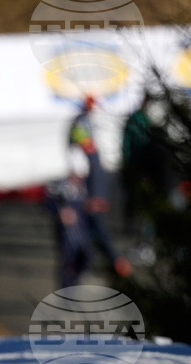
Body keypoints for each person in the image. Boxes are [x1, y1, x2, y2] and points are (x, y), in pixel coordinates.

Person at [54, 96, 131, 287]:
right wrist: (97, 194)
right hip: (83, 191)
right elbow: (92, 159)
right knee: (85, 236)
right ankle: (111, 263)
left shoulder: (84, 124)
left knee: (91, 234)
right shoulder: (81, 126)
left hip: (88, 188)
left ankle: (108, 263)